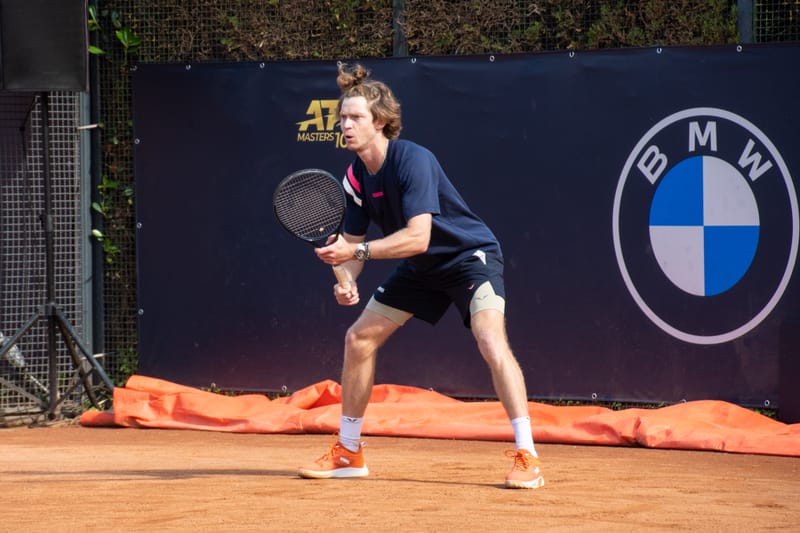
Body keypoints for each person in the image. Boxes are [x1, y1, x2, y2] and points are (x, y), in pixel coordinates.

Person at [297, 63, 543, 489]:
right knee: (358, 338)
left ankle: (527, 456)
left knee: (489, 338)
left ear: (380, 123)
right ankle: (349, 452)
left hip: (469, 257)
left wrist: (355, 252)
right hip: (421, 269)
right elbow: (354, 244)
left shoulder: (413, 159)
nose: (346, 125)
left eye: (355, 118)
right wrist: (347, 277)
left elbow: (416, 237)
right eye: (342, 118)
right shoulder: (355, 177)